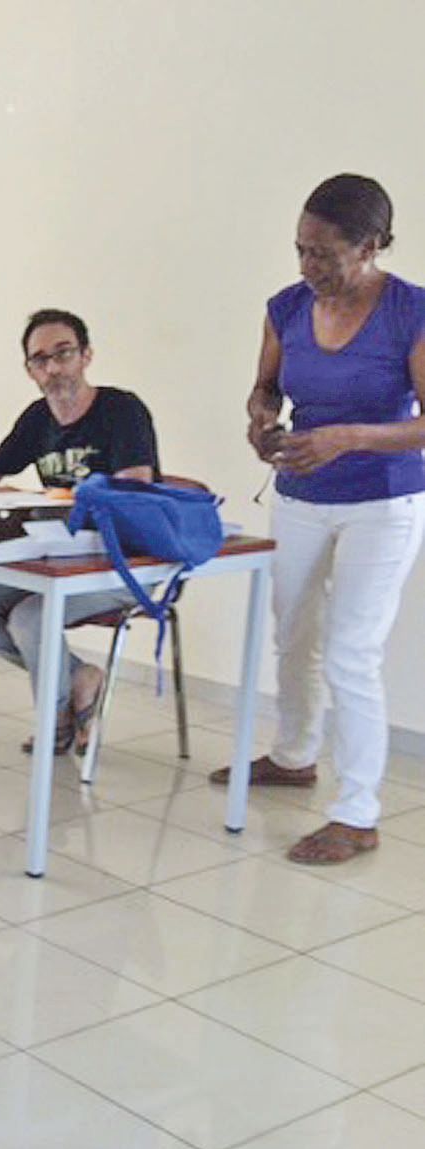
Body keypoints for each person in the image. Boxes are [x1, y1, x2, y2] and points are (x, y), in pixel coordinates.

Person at [209, 175, 425, 865]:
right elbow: (265, 387)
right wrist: (261, 420)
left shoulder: (411, 312)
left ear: (372, 246)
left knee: (351, 651)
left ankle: (357, 813)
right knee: (292, 632)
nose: (309, 267)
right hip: (302, 493)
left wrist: (347, 437)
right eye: (301, 249)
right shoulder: (287, 307)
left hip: (383, 502)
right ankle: (295, 754)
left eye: (325, 254)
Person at [0, 309, 159, 755]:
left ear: (86, 356)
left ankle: (56, 720)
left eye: (63, 354)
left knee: (29, 617)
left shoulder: (122, 411)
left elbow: (135, 490)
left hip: (126, 562)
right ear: (30, 371)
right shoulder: (37, 418)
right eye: (40, 360)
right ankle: (78, 677)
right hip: (58, 557)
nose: (53, 368)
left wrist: (62, 502)